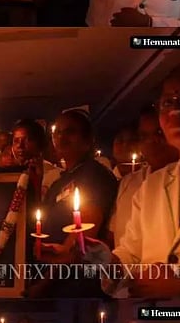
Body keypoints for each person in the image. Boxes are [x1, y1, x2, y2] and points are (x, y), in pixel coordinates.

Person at [104, 62, 180, 298]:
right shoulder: (152, 185)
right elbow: (132, 253)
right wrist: (103, 261)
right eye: (167, 102)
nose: (176, 111)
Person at [34, 109, 117, 297]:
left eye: (70, 132)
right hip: (52, 277)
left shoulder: (94, 174)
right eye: (58, 132)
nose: (61, 138)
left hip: (78, 282)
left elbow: (83, 237)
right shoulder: (58, 181)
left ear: (88, 140)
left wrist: (44, 284)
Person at [110, 105, 179, 249]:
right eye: (144, 136)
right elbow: (122, 242)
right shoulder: (128, 183)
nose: (151, 141)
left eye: (159, 133)